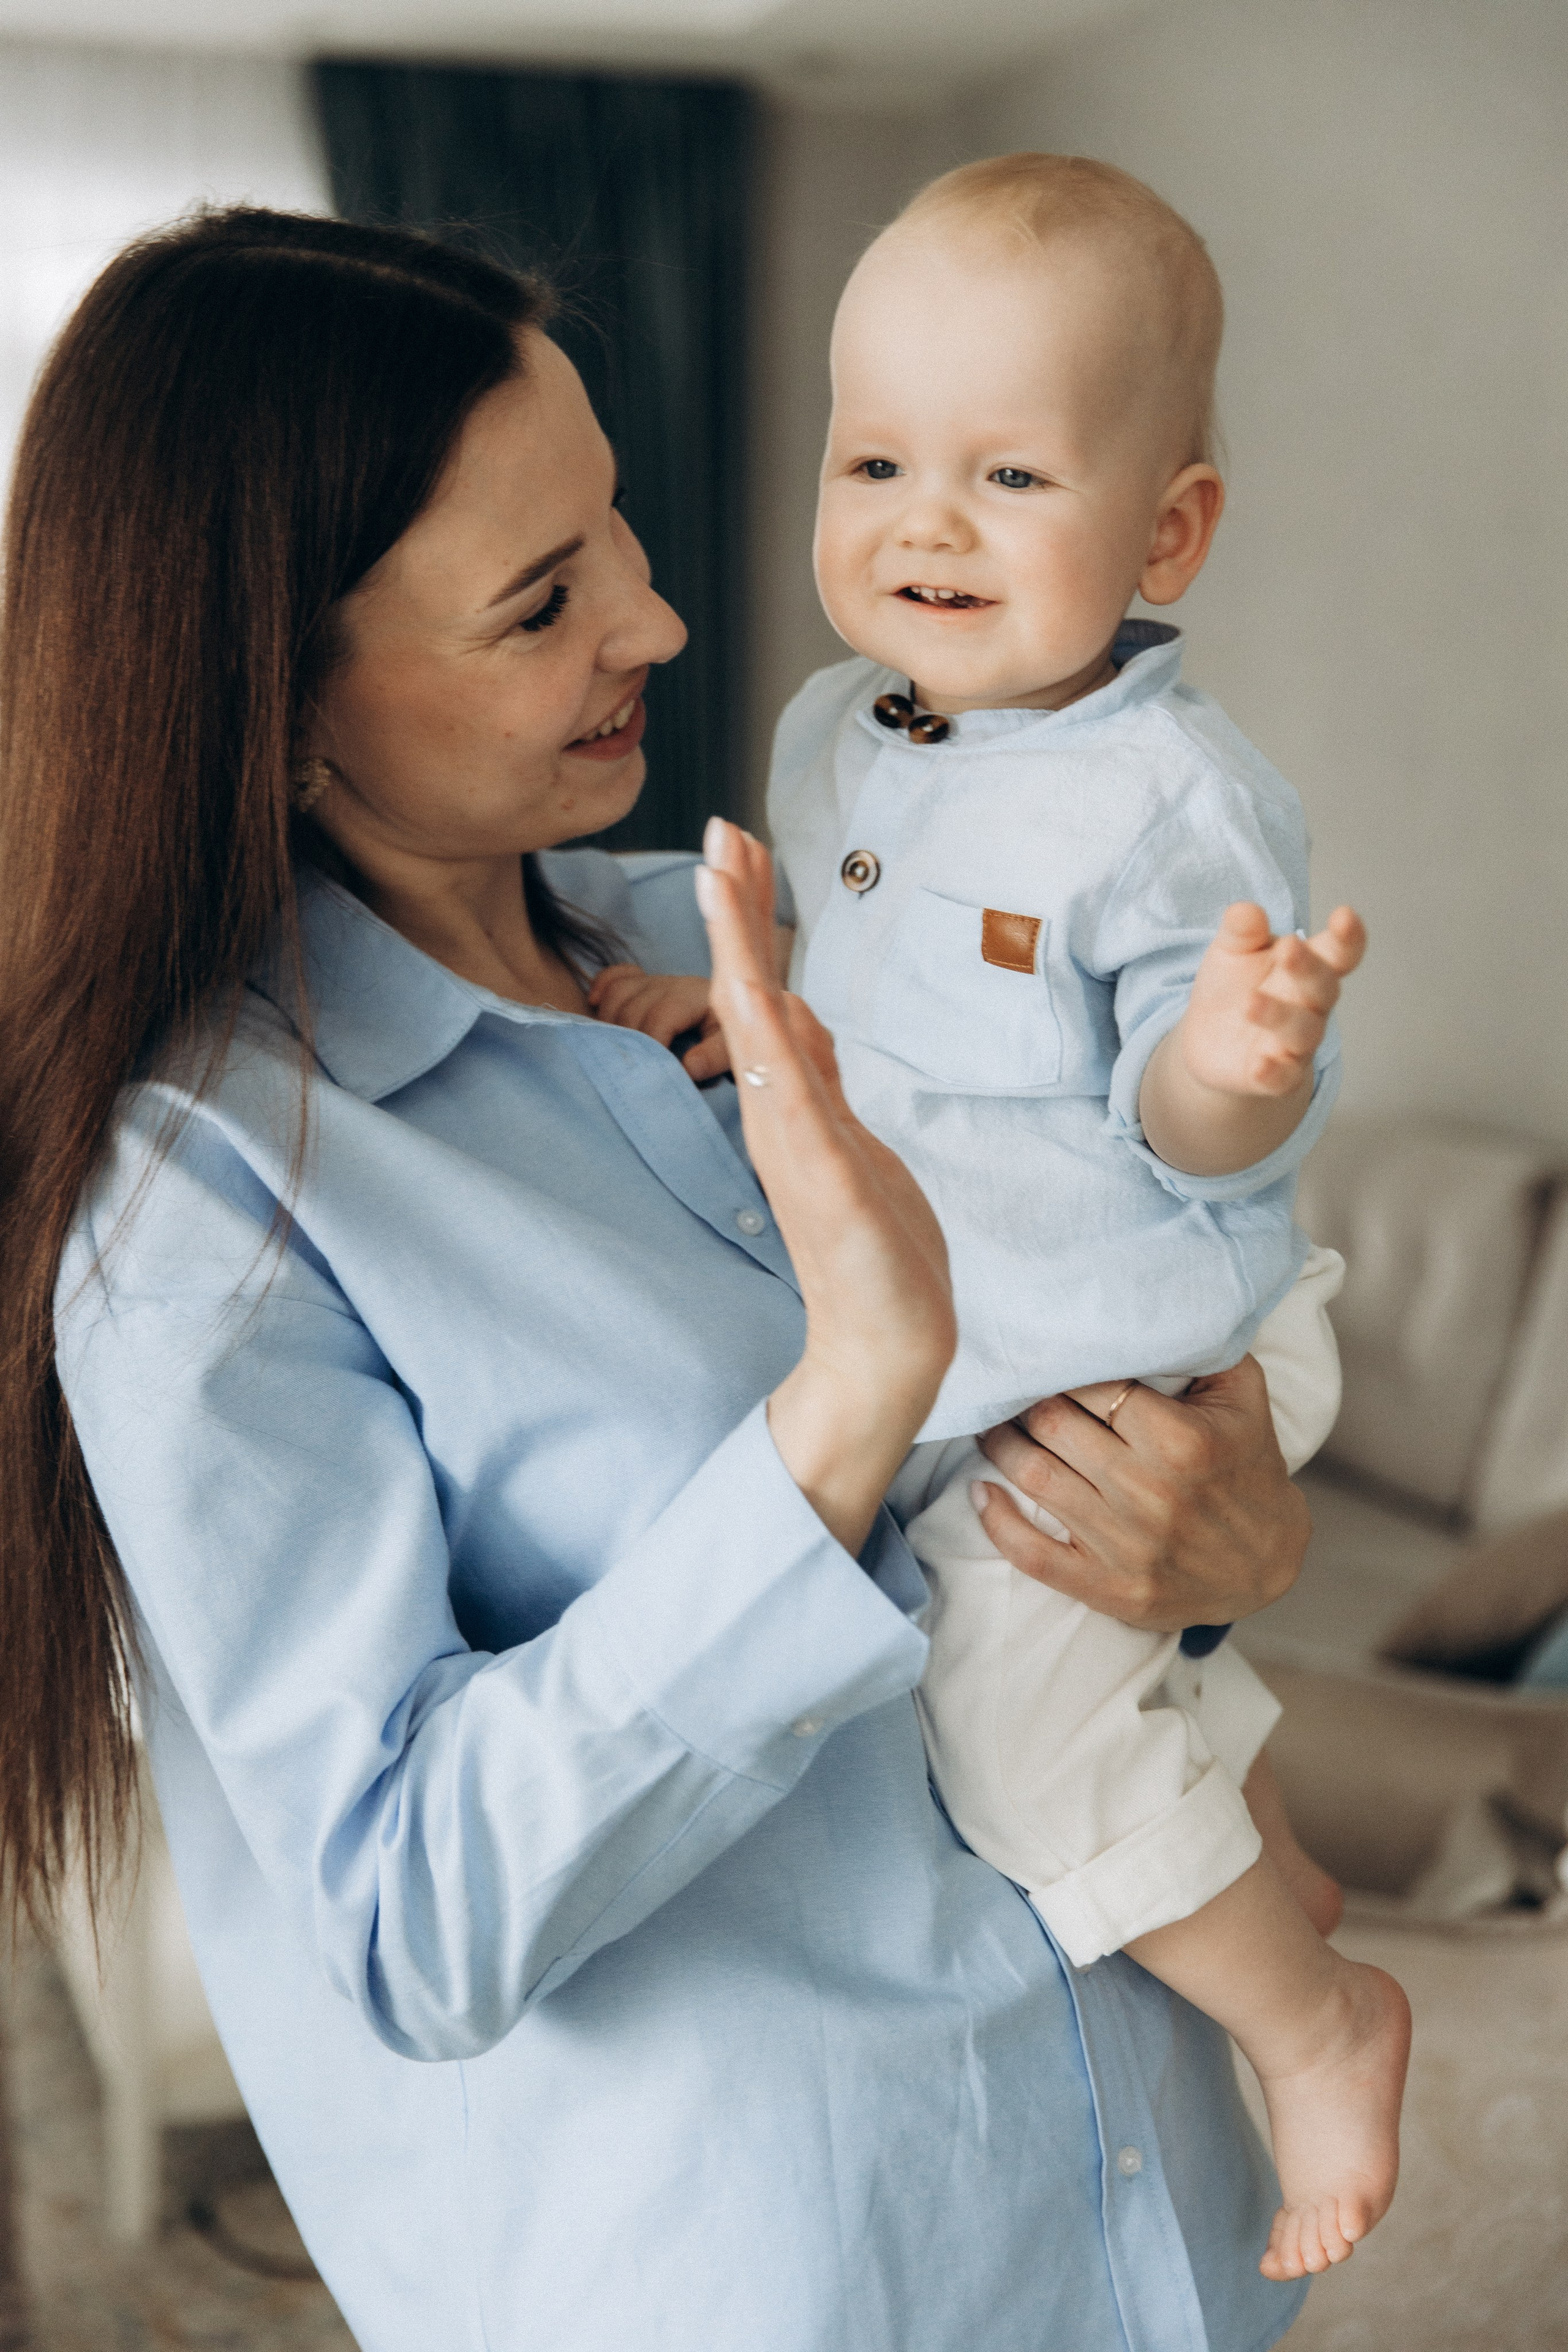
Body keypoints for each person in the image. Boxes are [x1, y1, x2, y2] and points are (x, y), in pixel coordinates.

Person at [0, 206, 1315, 2352]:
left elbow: (1120, 1329)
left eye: (615, 528)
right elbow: (415, 1922)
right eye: (543, 600)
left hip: (1146, 2221)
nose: (670, 619)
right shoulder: (205, 1199)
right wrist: (840, 1411)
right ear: (275, 692)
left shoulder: (763, 941)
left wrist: (1228, 1534)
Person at [601, 154, 1409, 2286]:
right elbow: (892, 1013)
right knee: (1065, 1663)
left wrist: (1238, 1051)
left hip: (1124, 1352)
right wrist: (744, 1008)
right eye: (875, 458)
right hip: (985, 1339)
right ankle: (1280, 1865)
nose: (923, 523)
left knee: (1011, 1717)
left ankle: (1317, 2024)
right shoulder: (840, 733)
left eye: (1010, 473)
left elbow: (1193, 1131)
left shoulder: (1176, 804)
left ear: (1167, 533)